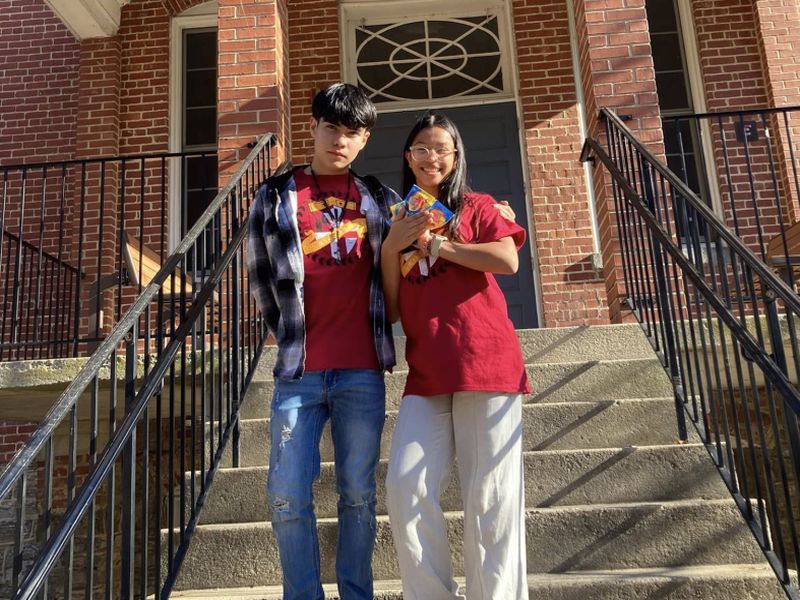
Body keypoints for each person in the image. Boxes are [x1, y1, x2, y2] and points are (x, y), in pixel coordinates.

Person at [247, 83, 400, 600]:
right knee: (288, 495)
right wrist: (287, 332)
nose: (339, 139)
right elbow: (260, 274)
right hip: (300, 373)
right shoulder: (275, 194)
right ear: (313, 127)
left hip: (362, 370)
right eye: (331, 127)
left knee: (358, 494)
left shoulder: (380, 198)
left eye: (351, 132)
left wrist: (494, 214)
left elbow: (436, 219)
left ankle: (356, 593)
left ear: (364, 140)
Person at [381, 113, 530, 600]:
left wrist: (440, 245)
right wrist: (391, 248)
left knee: (491, 499)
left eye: (441, 148)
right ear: (408, 157)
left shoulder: (478, 205)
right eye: (421, 148)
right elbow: (395, 309)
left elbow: (506, 260)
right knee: (406, 489)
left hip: (485, 359)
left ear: (456, 155)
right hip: (427, 371)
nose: (431, 157)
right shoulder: (397, 220)